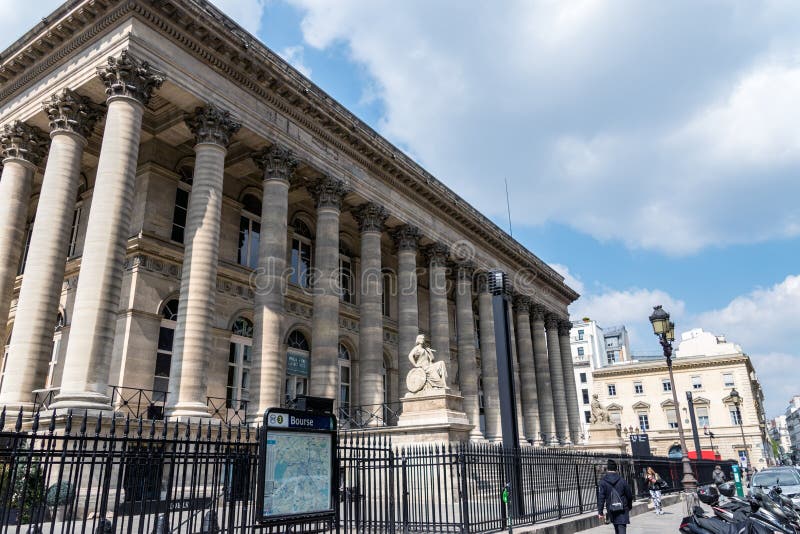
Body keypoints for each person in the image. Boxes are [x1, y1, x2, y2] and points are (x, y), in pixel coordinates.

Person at [598, 459, 634, 533]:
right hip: (623, 508)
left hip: (611, 508)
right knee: (622, 527)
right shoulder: (622, 480)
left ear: (607, 469)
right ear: (616, 469)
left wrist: (600, 512)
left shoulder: (603, 481)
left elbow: (601, 497)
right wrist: (629, 506)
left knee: (616, 528)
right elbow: (629, 495)